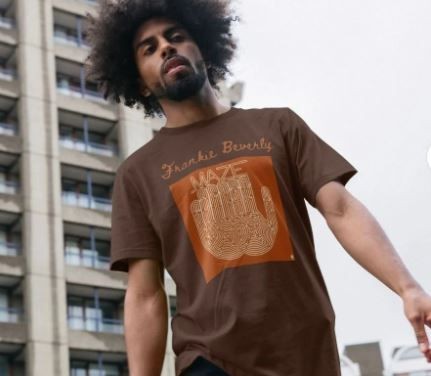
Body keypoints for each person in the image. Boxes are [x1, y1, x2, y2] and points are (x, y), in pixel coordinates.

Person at [85, 0, 431, 375]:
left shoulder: (278, 126)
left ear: (201, 47)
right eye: (148, 49)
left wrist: (407, 287)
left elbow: (341, 209)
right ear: (139, 81)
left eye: (176, 36)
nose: (166, 47)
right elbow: (144, 293)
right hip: (209, 360)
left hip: (306, 352)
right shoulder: (138, 173)